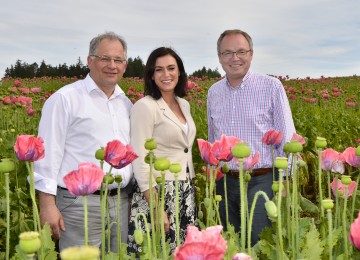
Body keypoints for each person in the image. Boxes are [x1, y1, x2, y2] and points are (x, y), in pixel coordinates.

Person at [33, 32, 133, 252]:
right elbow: (47, 154)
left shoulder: (126, 104)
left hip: (121, 201)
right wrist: (47, 205)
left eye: (118, 60)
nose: (112, 65)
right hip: (79, 203)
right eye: (105, 58)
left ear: (125, 66)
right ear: (90, 61)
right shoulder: (65, 99)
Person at [207, 29, 296, 245]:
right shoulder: (214, 92)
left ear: (251, 54)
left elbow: (286, 134)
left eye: (240, 51)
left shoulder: (271, 86)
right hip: (225, 182)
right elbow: (213, 138)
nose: (234, 58)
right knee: (230, 242)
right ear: (219, 57)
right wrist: (212, 174)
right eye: (227, 53)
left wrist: (284, 179)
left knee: (260, 241)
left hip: (262, 178)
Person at [127, 47, 196, 254]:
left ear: (180, 72)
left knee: (182, 253)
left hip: (185, 191)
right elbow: (139, 157)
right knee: (156, 252)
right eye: (159, 70)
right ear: (151, 75)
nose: (166, 75)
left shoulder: (184, 105)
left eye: (171, 68)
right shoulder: (145, 106)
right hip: (158, 191)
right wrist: (156, 207)